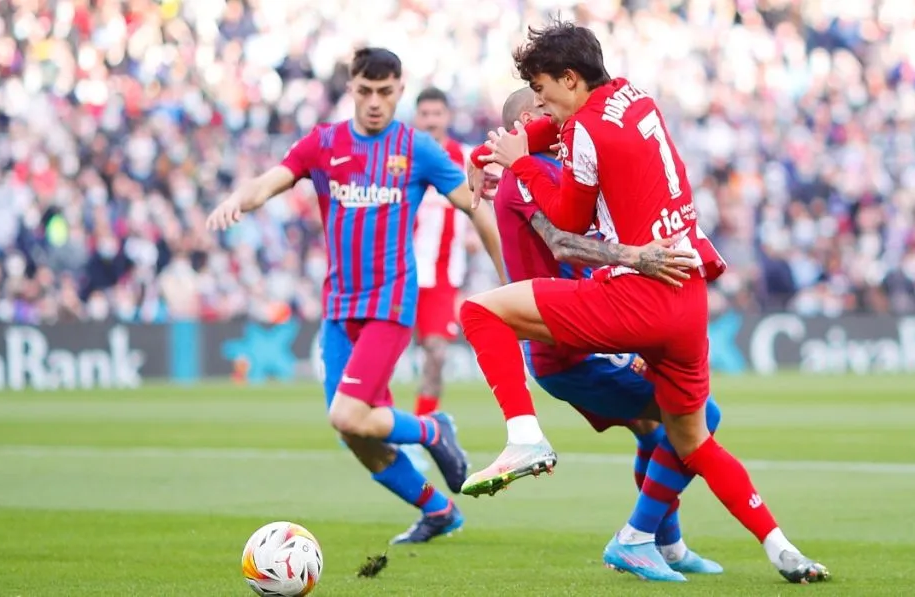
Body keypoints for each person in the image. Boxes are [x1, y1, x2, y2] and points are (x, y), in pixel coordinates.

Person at [460, 22, 829, 583]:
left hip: (634, 300)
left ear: (570, 78)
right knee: (693, 437)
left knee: (478, 311)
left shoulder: (576, 138)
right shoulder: (635, 96)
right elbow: (569, 131)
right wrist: (511, 147)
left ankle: (527, 440)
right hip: (688, 298)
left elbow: (566, 225)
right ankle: (780, 548)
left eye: (544, 89)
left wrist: (517, 161)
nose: (542, 103)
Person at [206, 48, 506, 545]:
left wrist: (505, 275)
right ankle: (439, 510)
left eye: (385, 92)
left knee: (346, 413)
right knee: (354, 432)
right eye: (364, 91)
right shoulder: (323, 144)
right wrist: (240, 198)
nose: (374, 102)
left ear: (399, 92)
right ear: (351, 89)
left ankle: (433, 431)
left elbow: (475, 208)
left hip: (389, 306)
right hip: (338, 309)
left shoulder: (417, 149)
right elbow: (272, 181)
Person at [481, 86, 725, 576]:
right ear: (531, 116)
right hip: (575, 342)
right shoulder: (530, 175)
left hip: (580, 334)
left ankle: (666, 543)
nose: (557, 113)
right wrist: (637, 260)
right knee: (702, 416)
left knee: (652, 429)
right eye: (545, 107)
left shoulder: (549, 170)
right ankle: (636, 538)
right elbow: (564, 244)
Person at [405, 88, 468, 476]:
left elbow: (484, 203)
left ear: (447, 116)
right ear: (416, 117)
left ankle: (419, 434)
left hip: (442, 277)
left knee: (436, 353)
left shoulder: (464, 158)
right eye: (424, 113)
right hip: (401, 274)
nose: (430, 120)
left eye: (437, 113)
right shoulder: (404, 157)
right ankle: (390, 429)